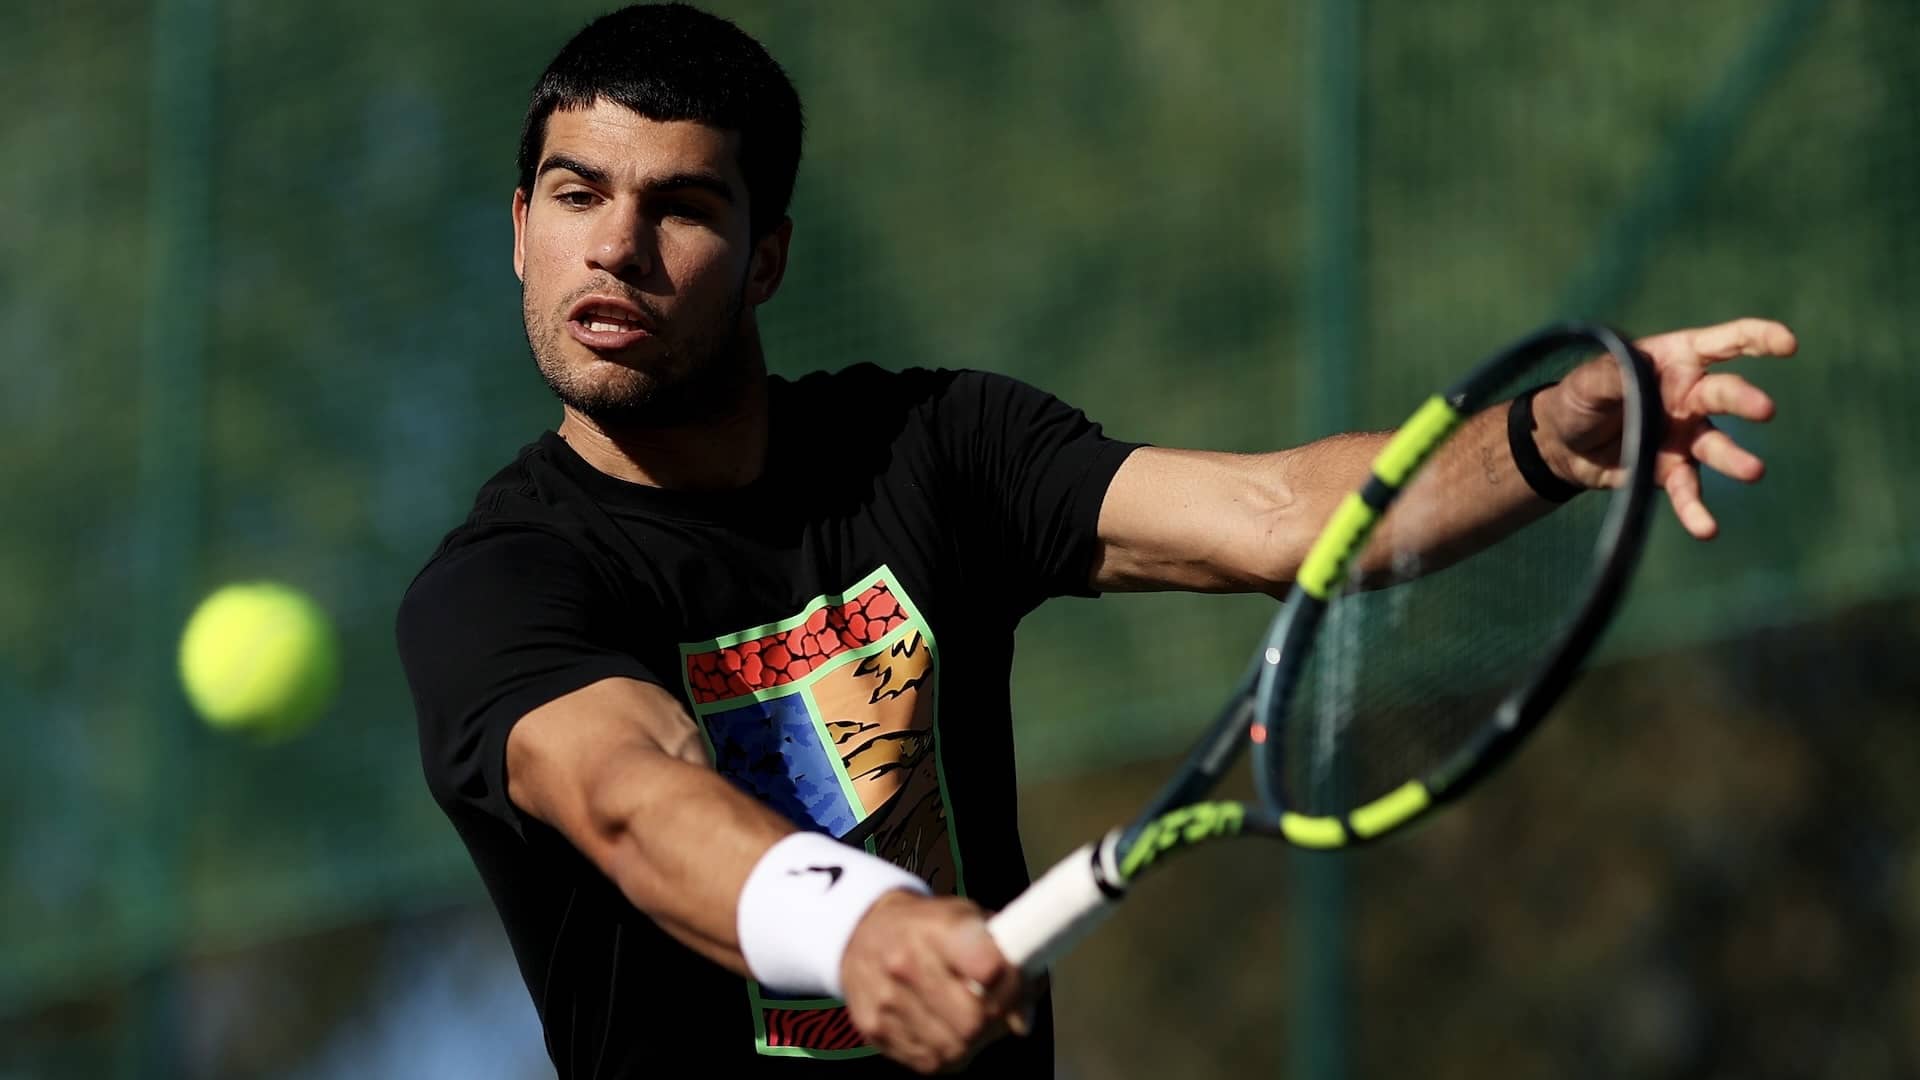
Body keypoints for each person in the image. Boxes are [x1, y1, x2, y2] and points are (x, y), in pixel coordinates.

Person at [394, 4, 1795, 1076]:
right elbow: (634, 796)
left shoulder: (934, 448)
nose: (617, 248)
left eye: (682, 207)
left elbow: (1294, 520)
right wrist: (861, 931)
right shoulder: (499, 587)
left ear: (765, 259)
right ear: (522, 230)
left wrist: (1554, 433)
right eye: (578, 195)